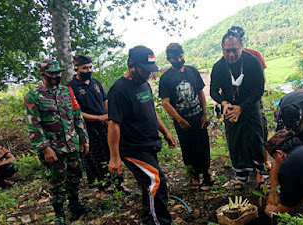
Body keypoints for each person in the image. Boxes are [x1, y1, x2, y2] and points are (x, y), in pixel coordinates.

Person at [107, 45, 177, 225]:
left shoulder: (143, 83)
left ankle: (151, 218)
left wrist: (166, 132)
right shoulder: (119, 90)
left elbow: (151, 110)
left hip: (148, 143)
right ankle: (158, 222)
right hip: (133, 148)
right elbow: (114, 124)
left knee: (149, 185)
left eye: (150, 71)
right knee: (156, 181)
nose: (148, 74)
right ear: (131, 64)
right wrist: (114, 158)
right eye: (145, 70)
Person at [25, 60, 90, 225]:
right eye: (52, 73)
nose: (56, 76)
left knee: (75, 177)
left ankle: (75, 206)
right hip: (53, 148)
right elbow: (34, 125)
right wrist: (45, 148)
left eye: (58, 73)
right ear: (43, 75)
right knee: (57, 181)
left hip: (72, 143)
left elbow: (77, 115)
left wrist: (83, 138)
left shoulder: (67, 91)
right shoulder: (33, 95)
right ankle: (59, 214)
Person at [67, 55, 130, 198]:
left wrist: (110, 116)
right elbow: (73, 112)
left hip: (105, 125)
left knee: (111, 153)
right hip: (87, 129)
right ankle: (102, 188)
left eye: (90, 67)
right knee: (93, 158)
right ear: (77, 69)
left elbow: (105, 100)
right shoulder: (70, 88)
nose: (88, 70)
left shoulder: (95, 82)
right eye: (85, 68)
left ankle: (119, 184)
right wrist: (97, 117)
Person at [210, 31, 265, 190]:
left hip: (250, 107)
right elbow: (214, 91)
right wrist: (225, 103)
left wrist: (242, 108)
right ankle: (241, 176)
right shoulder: (219, 66)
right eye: (228, 50)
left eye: (235, 49)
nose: (232, 54)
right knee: (235, 141)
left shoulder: (253, 62)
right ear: (222, 49)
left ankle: (260, 174)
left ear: (241, 46)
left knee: (255, 139)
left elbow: (259, 89)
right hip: (230, 110)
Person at [159, 43, 218, 190]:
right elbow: (165, 103)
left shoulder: (192, 71)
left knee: (203, 145)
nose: (178, 60)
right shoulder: (166, 78)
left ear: (183, 54)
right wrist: (179, 119)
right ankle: (194, 177)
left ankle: (206, 174)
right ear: (168, 59)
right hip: (182, 120)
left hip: (198, 116)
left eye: (180, 56)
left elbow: (200, 93)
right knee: (188, 147)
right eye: (174, 58)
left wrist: (204, 114)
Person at [229, 25, 271, 169]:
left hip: (254, 100)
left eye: (240, 37)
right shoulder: (229, 57)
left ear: (243, 38)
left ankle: (263, 162)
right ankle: (245, 166)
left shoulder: (254, 55)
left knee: (260, 130)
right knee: (240, 134)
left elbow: (261, 80)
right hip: (236, 103)